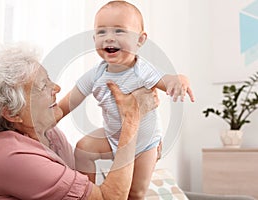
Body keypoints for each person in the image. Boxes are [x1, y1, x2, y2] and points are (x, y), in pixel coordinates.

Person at [0, 44, 159, 199]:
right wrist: (131, 121)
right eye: (43, 85)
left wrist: (145, 141)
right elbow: (108, 198)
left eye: (49, 79)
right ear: (12, 113)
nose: (56, 88)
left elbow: (84, 190)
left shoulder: (46, 132)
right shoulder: (13, 157)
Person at [58, 1, 195, 199]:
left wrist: (181, 79)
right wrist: (45, 121)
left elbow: (168, 80)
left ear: (140, 40)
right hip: (113, 137)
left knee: (135, 192)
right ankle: (87, 193)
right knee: (83, 149)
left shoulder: (143, 70)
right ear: (94, 38)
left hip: (145, 143)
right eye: (102, 32)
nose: (109, 38)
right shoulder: (95, 76)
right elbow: (64, 106)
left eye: (119, 31)